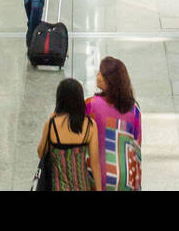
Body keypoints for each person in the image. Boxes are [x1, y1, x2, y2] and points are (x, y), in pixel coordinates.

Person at [85, 57, 143, 191]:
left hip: (96, 175)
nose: (97, 75)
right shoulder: (134, 109)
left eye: (101, 73)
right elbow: (137, 147)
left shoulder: (91, 105)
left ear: (109, 80)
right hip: (126, 178)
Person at [37, 79, 101, 191]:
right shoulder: (90, 125)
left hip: (58, 187)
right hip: (82, 186)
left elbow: (41, 152)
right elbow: (95, 164)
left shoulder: (52, 124)